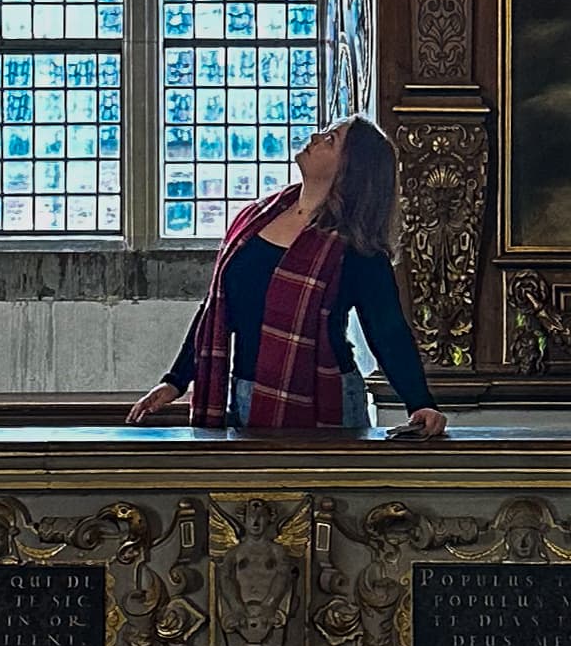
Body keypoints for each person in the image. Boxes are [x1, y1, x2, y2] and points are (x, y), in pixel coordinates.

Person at [127, 117, 447, 438]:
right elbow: (217, 309)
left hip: (323, 398)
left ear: (349, 168)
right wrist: (175, 380)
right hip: (247, 392)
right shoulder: (257, 217)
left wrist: (420, 401)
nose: (316, 137)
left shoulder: (355, 247)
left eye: (331, 140)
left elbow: (387, 329)